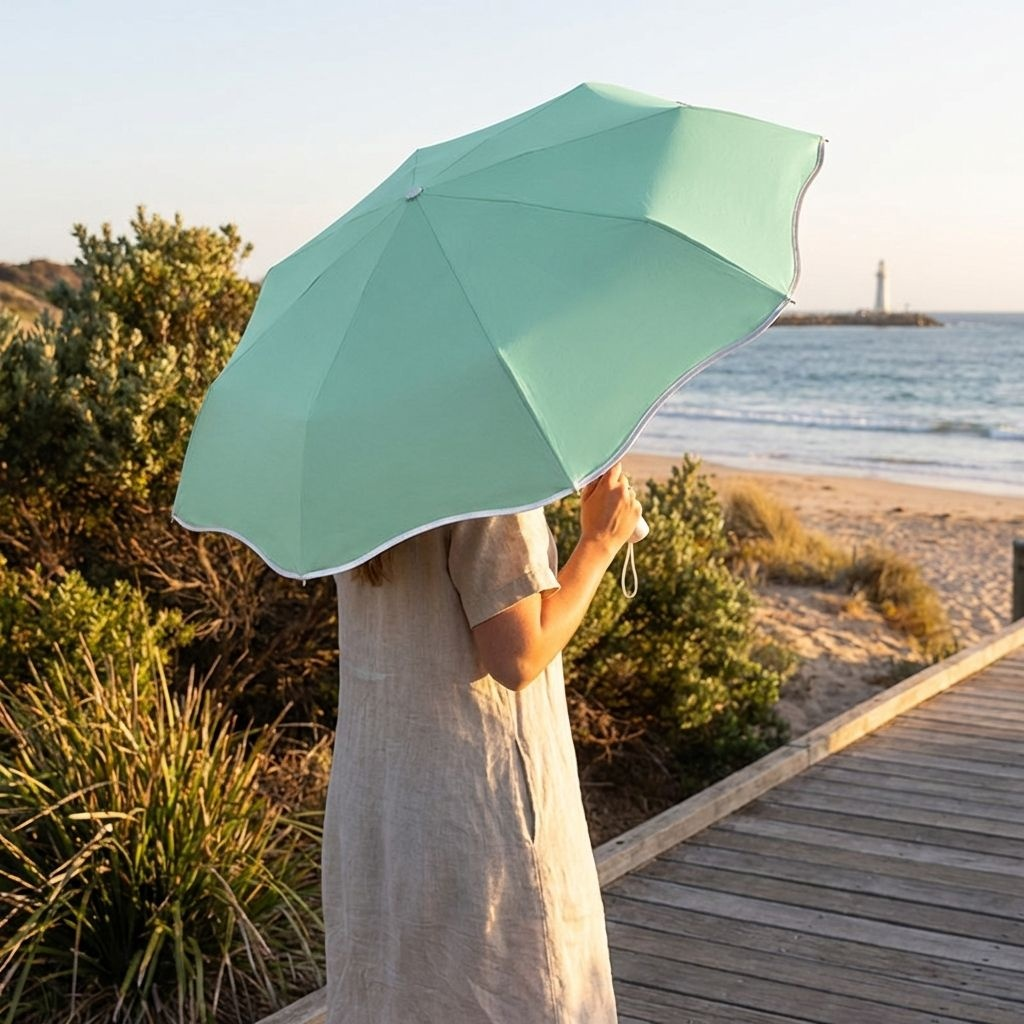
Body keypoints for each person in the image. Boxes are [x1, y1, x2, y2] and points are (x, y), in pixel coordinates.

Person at [322, 462, 643, 1023]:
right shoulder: (486, 475)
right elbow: (518, 656)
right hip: (479, 809)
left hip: (383, 800)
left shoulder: (358, 475)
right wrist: (598, 542)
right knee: (519, 992)